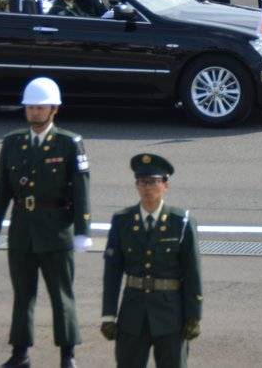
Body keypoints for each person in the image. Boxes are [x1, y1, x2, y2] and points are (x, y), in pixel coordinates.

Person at [0, 77, 92, 368]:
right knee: (23, 295)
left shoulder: (69, 143)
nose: (33, 112)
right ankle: (20, 354)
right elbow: (2, 189)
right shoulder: (12, 143)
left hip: (55, 229)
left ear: (54, 109)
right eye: (29, 107)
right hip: (22, 229)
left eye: (39, 107)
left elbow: (82, 189)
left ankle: (68, 355)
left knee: (61, 296)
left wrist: (83, 230)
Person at [100, 153, 202, 368]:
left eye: (153, 182)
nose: (147, 188)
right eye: (141, 182)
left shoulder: (181, 222)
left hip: (170, 314)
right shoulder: (122, 221)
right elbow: (112, 272)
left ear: (166, 185)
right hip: (133, 312)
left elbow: (192, 271)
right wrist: (108, 315)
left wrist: (194, 315)